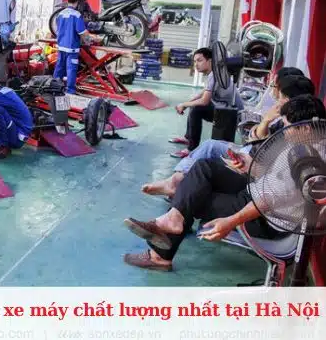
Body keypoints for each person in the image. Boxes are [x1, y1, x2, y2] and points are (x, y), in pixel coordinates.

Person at [123, 95, 326, 271]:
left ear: (306, 128)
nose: (284, 130)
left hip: (265, 218)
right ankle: (172, 218)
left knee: (193, 196)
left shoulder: (307, 160)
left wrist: (231, 222)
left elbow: (267, 200)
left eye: (288, 126)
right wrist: (248, 166)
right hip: (257, 191)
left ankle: (160, 255)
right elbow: (276, 179)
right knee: (204, 168)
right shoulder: (308, 143)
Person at [142, 73, 316, 198]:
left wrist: (247, 160)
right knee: (210, 145)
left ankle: (177, 189)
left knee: (206, 159)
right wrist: (265, 122)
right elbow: (255, 138)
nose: (275, 95)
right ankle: (175, 183)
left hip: (256, 165)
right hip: (252, 153)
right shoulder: (283, 117)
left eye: (278, 91)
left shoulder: (296, 128)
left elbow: (272, 163)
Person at [168, 48, 244, 158]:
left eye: (199, 60)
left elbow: (204, 101)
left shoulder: (214, 74)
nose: (196, 64)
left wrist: (184, 105)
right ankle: (188, 137)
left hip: (231, 115)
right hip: (225, 110)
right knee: (194, 105)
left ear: (210, 61)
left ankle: (191, 149)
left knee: (197, 109)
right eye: (194, 61)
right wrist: (187, 103)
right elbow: (205, 91)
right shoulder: (215, 72)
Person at [53, 0, 100, 94]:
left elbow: (58, 28)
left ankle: (54, 88)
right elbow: (82, 32)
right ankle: (70, 90)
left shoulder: (60, 14)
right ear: (77, 2)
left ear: (68, 1)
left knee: (59, 67)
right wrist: (91, 39)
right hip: (72, 48)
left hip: (61, 46)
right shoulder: (76, 15)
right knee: (71, 69)